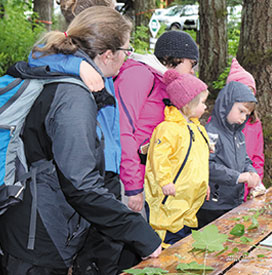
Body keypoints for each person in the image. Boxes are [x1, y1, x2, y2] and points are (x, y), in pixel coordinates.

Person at [0, 6, 161, 274]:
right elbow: (80, 183)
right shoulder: (72, 97)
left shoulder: (72, 76)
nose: (128, 56)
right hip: (37, 235)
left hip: (34, 221)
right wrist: (139, 232)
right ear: (108, 54)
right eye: (126, 50)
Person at [114, 30, 199, 215]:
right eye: (191, 64)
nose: (192, 71)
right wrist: (132, 186)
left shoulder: (163, 83)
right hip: (126, 177)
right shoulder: (139, 75)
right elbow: (122, 129)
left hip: (148, 178)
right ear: (173, 59)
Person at [145, 69, 210, 246]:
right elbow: (158, 158)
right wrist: (165, 181)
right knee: (168, 242)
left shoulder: (197, 129)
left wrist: (205, 184)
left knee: (184, 243)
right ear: (188, 103)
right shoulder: (168, 129)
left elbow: (199, 161)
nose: (205, 107)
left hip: (189, 203)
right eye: (202, 102)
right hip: (170, 201)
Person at [196, 81, 262, 228]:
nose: (244, 117)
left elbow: (244, 159)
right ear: (227, 104)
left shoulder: (238, 135)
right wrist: (238, 177)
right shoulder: (211, 132)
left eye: (247, 114)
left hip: (233, 201)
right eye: (241, 111)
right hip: (212, 206)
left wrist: (251, 172)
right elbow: (207, 165)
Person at [225, 58, 265, 200]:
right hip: (225, 190)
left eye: (250, 92)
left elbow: (258, 158)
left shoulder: (255, 124)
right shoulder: (218, 123)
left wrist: (256, 181)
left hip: (247, 189)